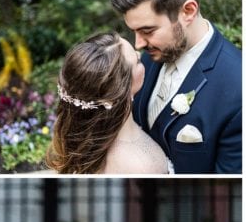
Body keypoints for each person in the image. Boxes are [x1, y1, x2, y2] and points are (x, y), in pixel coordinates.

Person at [112, 0, 242, 173]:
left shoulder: (238, 86)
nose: (138, 44)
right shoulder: (148, 56)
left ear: (188, 11)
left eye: (148, 30)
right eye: (134, 31)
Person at [46, 32, 170, 174]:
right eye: (137, 61)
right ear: (120, 90)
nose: (139, 54)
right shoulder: (141, 166)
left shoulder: (83, 144)